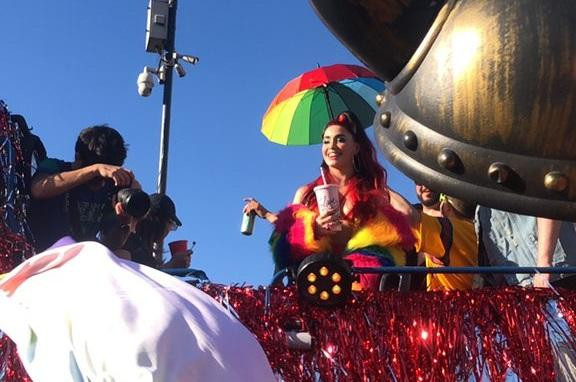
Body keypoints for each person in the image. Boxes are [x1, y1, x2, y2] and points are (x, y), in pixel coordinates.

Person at [244, 111, 415, 290]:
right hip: (313, 289)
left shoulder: (373, 194)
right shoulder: (306, 194)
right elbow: (282, 250)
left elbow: (406, 219)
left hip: (359, 292)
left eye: (340, 139)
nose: (332, 146)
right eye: (326, 141)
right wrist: (311, 230)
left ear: (356, 147)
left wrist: (376, 183)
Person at [28, 125, 140, 253]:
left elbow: (110, 246)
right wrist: (94, 170)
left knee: (122, 254)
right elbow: (38, 189)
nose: (101, 182)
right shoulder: (55, 166)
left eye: (105, 177)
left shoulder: (110, 191)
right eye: (98, 177)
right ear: (77, 157)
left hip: (78, 260)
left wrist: (124, 222)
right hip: (41, 254)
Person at [476, 209, 576, 289]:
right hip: (518, 287)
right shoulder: (482, 203)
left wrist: (544, 265)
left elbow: (549, 204)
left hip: (556, 275)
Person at [122, 193, 192, 269]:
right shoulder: (132, 245)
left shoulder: (135, 242)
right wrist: (171, 266)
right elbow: (140, 277)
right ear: (158, 221)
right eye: (170, 223)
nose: (169, 229)